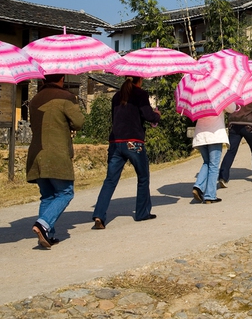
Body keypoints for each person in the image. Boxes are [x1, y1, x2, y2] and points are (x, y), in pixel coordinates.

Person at [92, 76, 161, 230]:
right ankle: (142, 213)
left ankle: (99, 215)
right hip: (133, 142)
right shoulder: (140, 94)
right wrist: (157, 115)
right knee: (143, 177)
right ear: (140, 80)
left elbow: (114, 119)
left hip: (116, 143)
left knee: (110, 180)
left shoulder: (117, 96)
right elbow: (148, 116)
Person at [27, 74, 85, 248]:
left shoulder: (35, 99)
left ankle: (46, 234)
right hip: (56, 153)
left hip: (37, 154)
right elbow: (79, 122)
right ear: (61, 78)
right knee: (65, 192)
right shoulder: (65, 97)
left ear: (43, 79)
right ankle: (43, 223)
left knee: (48, 195)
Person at [192, 102, 237, 204]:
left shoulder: (198, 98)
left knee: (206, 162)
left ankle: (198, 186)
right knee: (214, 165)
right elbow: (232, 108)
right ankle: (210, 195)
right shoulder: (218, 96)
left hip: (201, 134)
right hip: (214, 134)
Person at [218, 99, 252, 185]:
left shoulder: (233, 90)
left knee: (231, 151)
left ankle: (223, 177)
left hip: (234, 124)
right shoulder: (251, 92)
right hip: (248, 124)